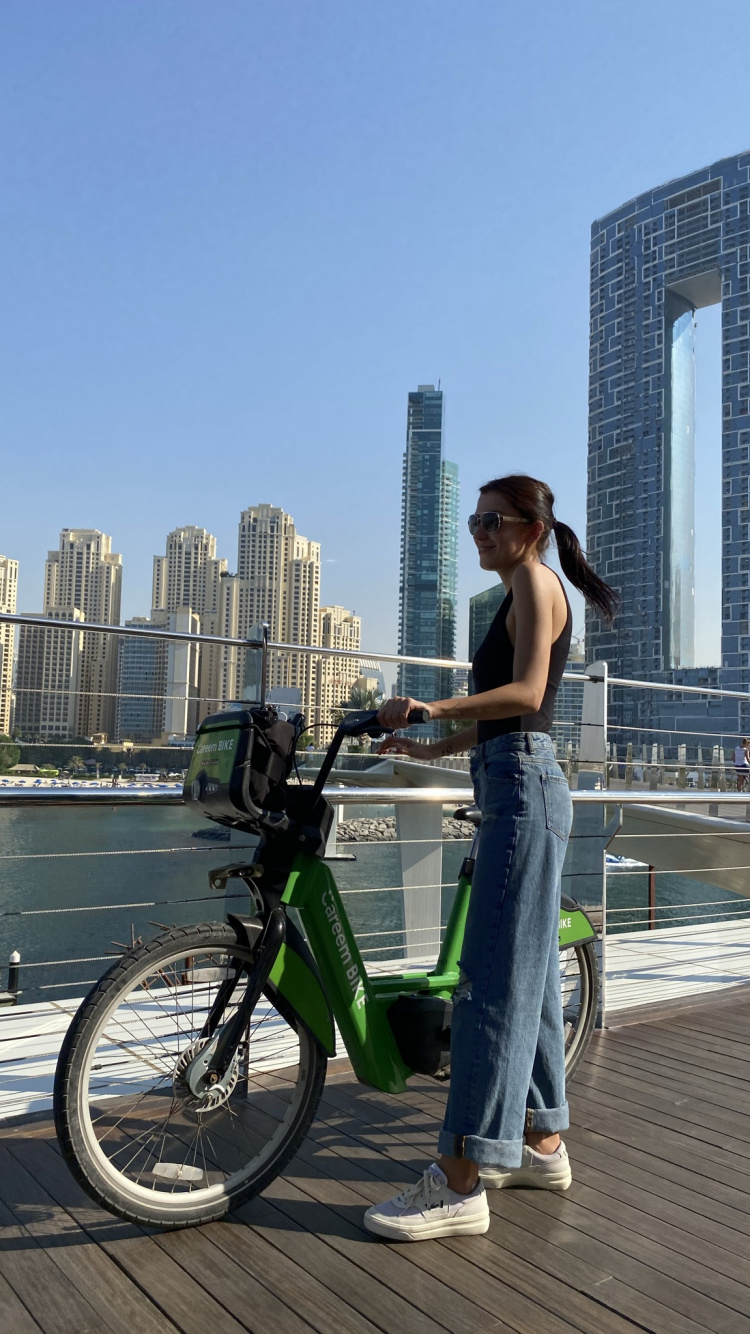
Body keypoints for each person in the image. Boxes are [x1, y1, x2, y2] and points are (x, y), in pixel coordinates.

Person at [364, 474, 618, 1242]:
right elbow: (514, 716)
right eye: (472, 521)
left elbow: (528, 691)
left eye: (491, 520)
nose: (478, 530)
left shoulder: (536, 583)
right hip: (514, 780)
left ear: (531, 527)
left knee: (492, 988)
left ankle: (462, 1176)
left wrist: (432, 703)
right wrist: (434, 746)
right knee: (532, 979)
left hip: (527, 789)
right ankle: (541, 1141)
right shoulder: (516, 590)